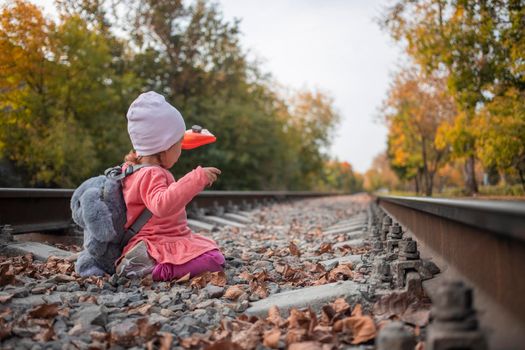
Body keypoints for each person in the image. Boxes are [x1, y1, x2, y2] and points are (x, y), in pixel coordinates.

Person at [115, 91, 224, 281]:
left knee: (208, 246)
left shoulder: (132, 169)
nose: (181, 150)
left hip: (159, 238)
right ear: (164, 147)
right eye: (178, 145)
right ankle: (152, 269)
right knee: (214, 259)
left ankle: (145, 262)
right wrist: (197, 178)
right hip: (157, 241)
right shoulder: (152, 173)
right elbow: (161, 204)